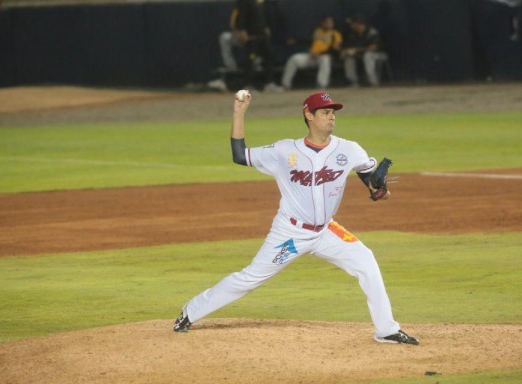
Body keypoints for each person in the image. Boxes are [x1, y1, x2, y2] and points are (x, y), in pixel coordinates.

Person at [173, 90, 419, 345]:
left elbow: (374, 186)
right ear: (308, 115)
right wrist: (239, 112)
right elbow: (239, 155)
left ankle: (386, 329)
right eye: (325, 112)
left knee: (366, 261)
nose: (331, 117)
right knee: (250, 278)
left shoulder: (350, 149)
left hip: (326, 231)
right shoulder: (284, 150)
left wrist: (380, 191)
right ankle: (190, 311)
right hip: (290, 233)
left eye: (333, 112)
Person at [281, 15, 343, 90]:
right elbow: (307, 39)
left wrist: (320, 53)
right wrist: (296, 41)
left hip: (325, 58)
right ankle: (286, 85)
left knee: (325, 59)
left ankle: (321, 85)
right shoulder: (317, 31)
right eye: (327, 22)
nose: (329, 23)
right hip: (312, 56)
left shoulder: (336, 34)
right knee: (294, 58)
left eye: (331, 22)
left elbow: (335, 49)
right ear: (322, 23)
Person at [341, 15, 387, 87]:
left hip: (378, 54)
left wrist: (357, 50)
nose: (351, 25)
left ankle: (372, 81)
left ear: (358, 24)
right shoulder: (352, 33)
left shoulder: (371, 32)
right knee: (348, 57)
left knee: (368, 55)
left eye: (352, 23)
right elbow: (349, 47)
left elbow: (373, 47)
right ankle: (352, 81)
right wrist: (347, 51)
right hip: (361, 54)